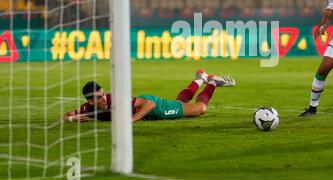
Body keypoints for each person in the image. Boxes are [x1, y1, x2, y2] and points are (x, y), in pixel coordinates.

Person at [63, 69, 236, 123]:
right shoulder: (88, 108)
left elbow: (150, 105)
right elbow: (67, 115)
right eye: (99, 98)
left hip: (153, 108)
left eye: (103, 94)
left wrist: (131, 120)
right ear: (91, 101)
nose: (104, 98)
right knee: (178, 103)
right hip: (146, 106)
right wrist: (73, 118)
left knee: (199, 109)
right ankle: (200, 80)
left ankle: (212, 82)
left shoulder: (116, 99)